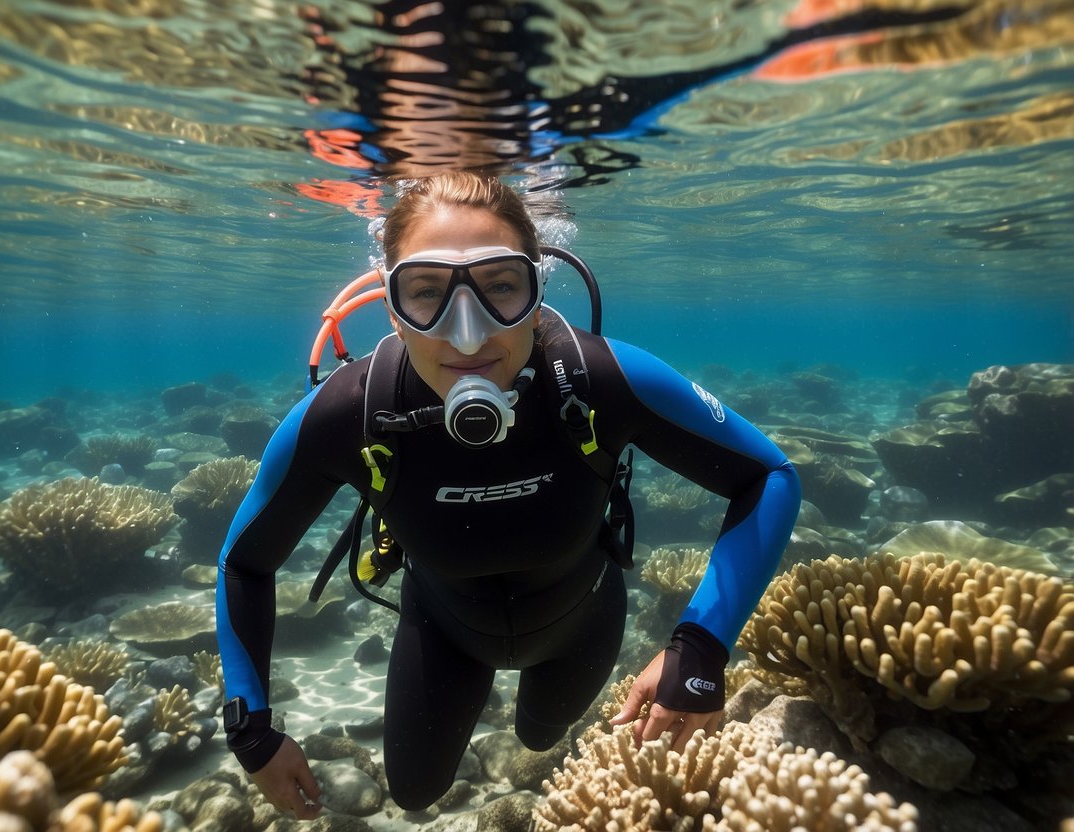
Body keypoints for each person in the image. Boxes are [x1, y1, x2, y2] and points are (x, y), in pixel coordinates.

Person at [216, 171, 801, 817]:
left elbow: (768, 477)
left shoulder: (599, 381)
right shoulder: (345, 414)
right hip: (441, 633)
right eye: (425, 294)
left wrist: (699, 649)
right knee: (414, 794)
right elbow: (244, 563)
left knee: (537, 737)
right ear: (390, 306)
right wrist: (251, 729)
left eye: (500, 287)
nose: (467, 337)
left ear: (537, 286)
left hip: (580, 627)